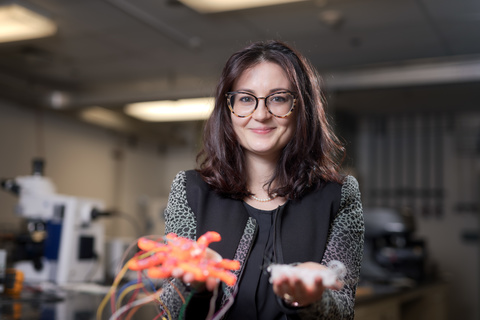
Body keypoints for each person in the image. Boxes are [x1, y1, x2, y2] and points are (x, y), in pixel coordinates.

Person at [161, 40, 364, 320]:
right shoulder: (189, 190)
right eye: (245, 98)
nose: (261, 114)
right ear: (228, 109)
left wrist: (308, 300)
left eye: (278, 98)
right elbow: (170, 310)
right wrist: (196, 286)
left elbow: (342, 311)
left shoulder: (340, 196)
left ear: (300, 107)